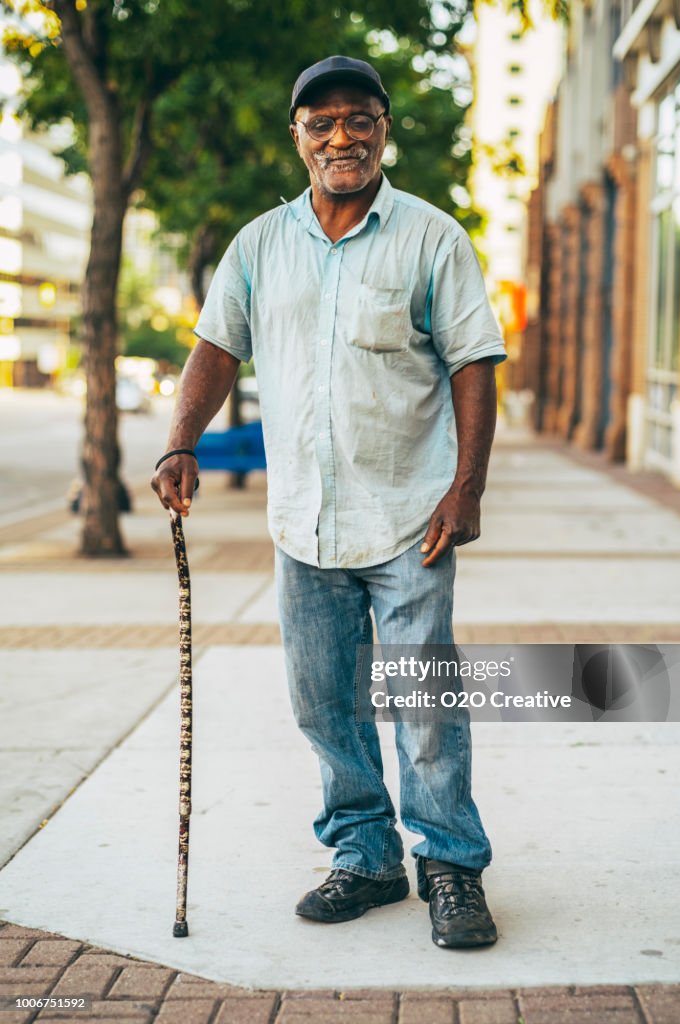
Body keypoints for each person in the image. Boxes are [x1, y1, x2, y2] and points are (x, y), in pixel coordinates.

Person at [151, 55, 507, 949]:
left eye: (358, 119)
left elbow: (473, 362)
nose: (340, 136)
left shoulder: (433, 238)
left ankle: (450, 865)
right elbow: (216, 350)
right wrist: (181, 439)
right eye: (322, 124)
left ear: (384, 128)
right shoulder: (260, 245)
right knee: (325, 705)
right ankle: (366, 856)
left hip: (409, 520)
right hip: (303, 524)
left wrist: (466, 488)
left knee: (421, 702)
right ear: (299, 138)